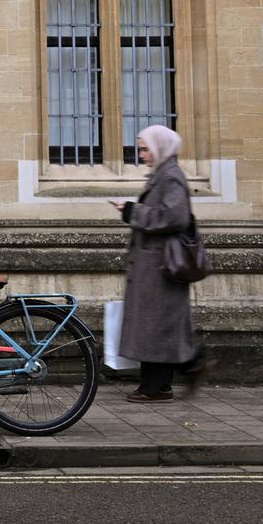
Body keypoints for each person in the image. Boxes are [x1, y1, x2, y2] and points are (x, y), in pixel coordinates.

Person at [112, 124, 206, 402]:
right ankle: (163, 384)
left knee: (156, 325)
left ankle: (162, 382)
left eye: (145, 148)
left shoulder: (171, 177)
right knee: (156, 325)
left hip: (162, 267)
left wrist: (133, 211)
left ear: (160, 148)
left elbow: (175, 217)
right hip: (154, 265)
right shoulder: (162, 175)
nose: (141, 154)